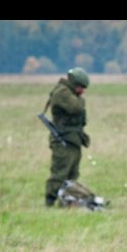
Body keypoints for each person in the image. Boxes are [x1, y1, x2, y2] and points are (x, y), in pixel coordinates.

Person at [44, 67, 91, 207]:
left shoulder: (69, 93)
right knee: (60, 173)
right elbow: (76, 107)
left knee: (72, 174)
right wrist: (81, 101)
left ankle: (67, 200)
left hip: (73, 138)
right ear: (74, 84)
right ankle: (50, 202)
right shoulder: (62, 92)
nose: (82, 91)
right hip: (63, 139)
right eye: (81, 87)